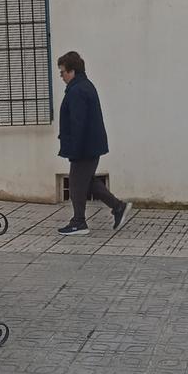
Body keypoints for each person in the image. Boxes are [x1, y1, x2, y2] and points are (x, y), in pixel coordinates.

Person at [56, 51, 131, 236]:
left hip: (84, 148)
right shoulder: (84, 86)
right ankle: (118, 207)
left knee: (75, 185)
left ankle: (79, 222)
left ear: (72, 71)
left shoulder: (77, 90)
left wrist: (74, 150)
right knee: (87, 182)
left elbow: (78, 123)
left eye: (62, 72)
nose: (61, 76)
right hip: (90, 146)